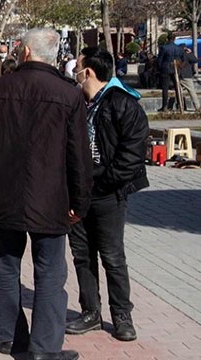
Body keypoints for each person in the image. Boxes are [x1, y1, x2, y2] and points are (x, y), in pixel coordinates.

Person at [0, 28, 93, 360]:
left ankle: (9, 337)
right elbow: (79, 156)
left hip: (3, 194)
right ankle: (44, 347)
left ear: (24, 52)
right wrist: (80, 202)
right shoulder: (69, 94)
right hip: (51, 197)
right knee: (50, 270)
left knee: (5, 264)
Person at [66, 47, 149, 342]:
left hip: (107, 194)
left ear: (88, 72)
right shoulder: (75, 103)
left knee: (112, 257)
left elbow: (132, 155)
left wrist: (102, 184)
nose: (73, 71)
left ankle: (122, 315)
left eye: (77, 67)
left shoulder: (123, 103)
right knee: (81, 256)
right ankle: (90, 311)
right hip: (77, 195)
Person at [157, 32, 184, 111]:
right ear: (174, 39)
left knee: (165, 88)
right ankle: (179, 104)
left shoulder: (164, 48)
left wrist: (160, 68)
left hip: (166, 68)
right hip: (176, 68)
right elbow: (182, 59)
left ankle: (165, 106)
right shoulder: (179, 48)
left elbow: (160, 60)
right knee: (177, 87)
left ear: (167, 39)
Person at [178, 46, 200, 111]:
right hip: (187, 76)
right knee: (192, 91)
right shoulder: (187, 55)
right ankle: (197, 107)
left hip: (179, 75)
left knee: (178, 92)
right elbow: (195, 60)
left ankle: (178, 106)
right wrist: (190, 53)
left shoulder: (177, 55)